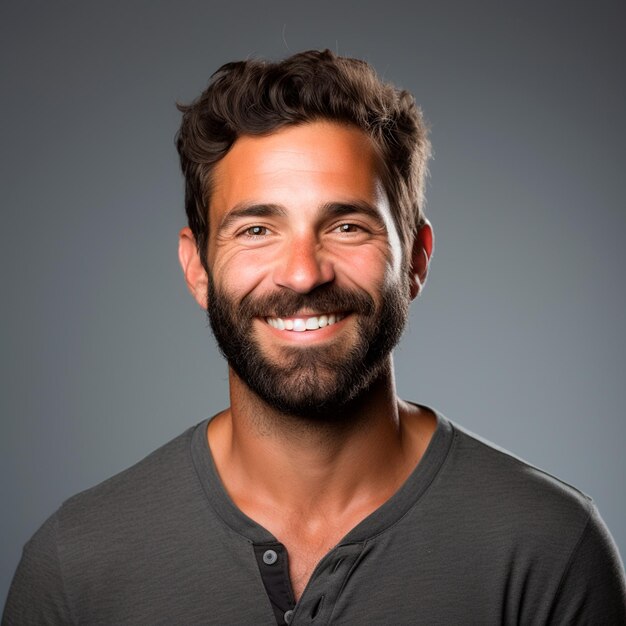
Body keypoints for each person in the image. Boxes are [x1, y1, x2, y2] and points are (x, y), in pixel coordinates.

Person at [3, 50, 625, 626]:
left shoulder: (549, 549)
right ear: (197, 268)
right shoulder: (75, 565)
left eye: (348, 225)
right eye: (256, 230)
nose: (303, 272)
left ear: (415, 261)